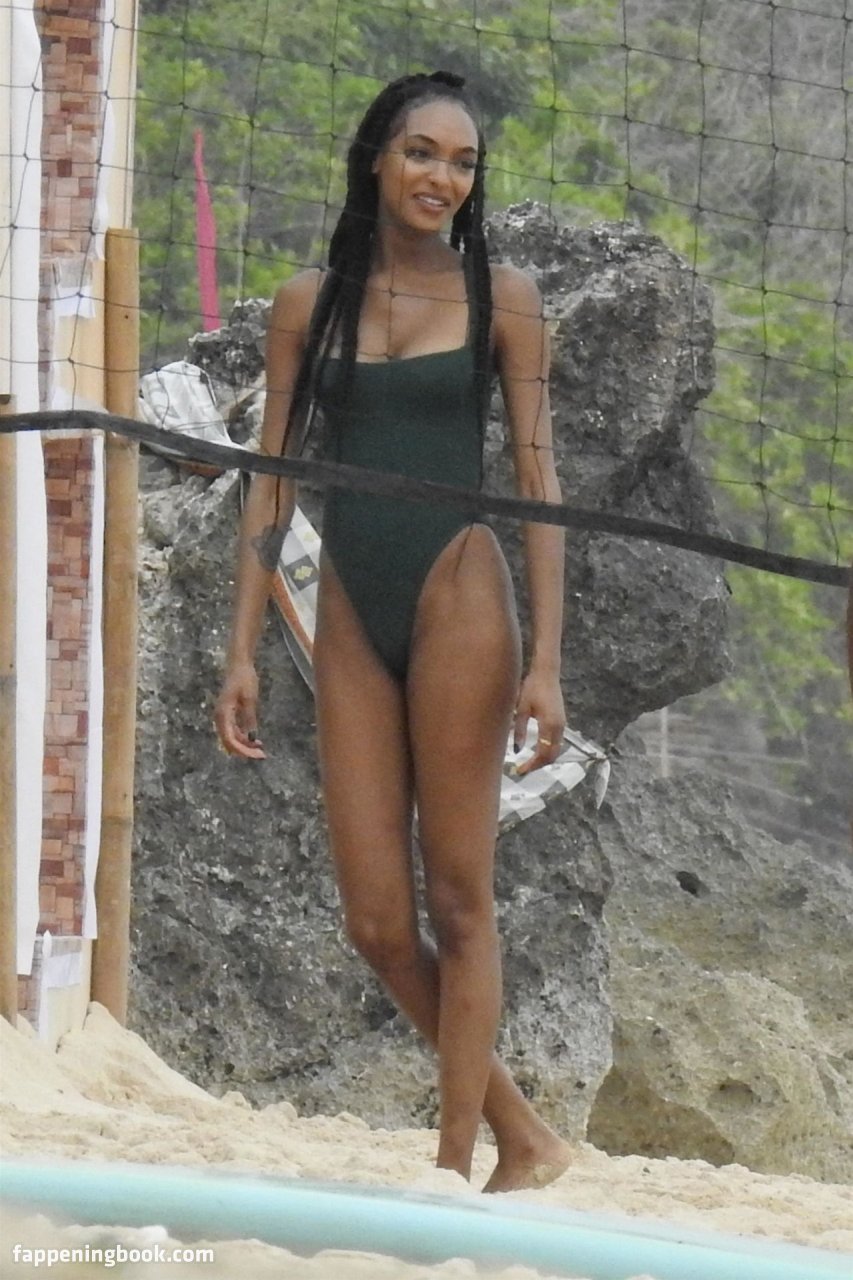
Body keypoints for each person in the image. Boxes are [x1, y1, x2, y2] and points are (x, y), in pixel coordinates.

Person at [215, 71, 573, 1191]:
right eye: (422, 153)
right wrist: (239, 649)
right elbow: (271, 479)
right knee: (375, 919)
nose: (441, 178)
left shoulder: (503, 295)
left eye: (463, 163)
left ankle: (456, 1165)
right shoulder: (306, 302)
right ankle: (525, 1132)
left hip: (458, 590)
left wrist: (548, 663)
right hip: (347, 606)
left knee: (459, 899)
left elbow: (539, 481)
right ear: (376, 157)